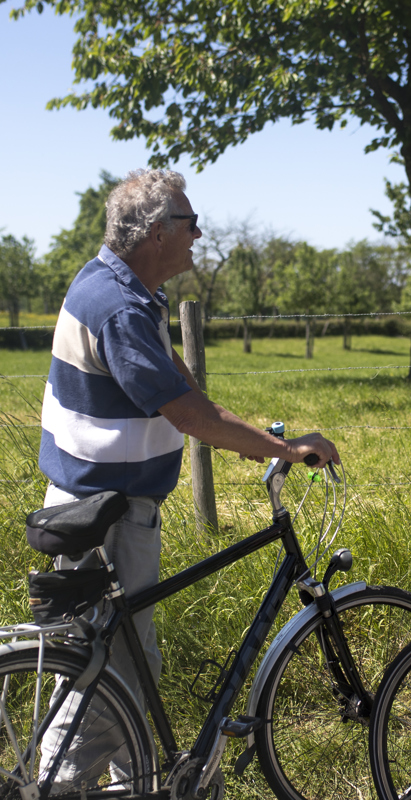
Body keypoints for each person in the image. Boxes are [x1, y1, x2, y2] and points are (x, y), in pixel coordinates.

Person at [37, 168, 339, 789]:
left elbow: (175, 379)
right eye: (189, 222)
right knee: (105, 683)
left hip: (99, 507)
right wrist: (282, 445)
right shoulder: (119, 305)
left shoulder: (119, 287)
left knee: (126, 668)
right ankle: (58, 788)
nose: (199, 234)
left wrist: (246, 442)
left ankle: (141, 783)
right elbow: (186, 411)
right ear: (155, 233)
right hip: (104, 518)